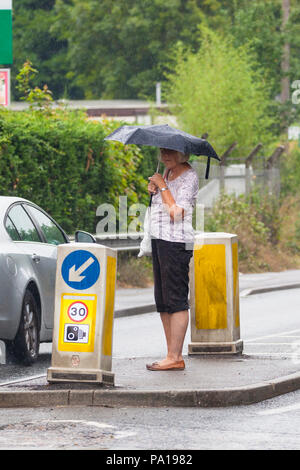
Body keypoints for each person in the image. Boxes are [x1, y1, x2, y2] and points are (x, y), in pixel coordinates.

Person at [146, 147, 199, 371]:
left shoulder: (190, 177)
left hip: (177, 242)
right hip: (159, 239)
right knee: (163, 299)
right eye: (162, 151)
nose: (165, 155)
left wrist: (163, 186)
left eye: (170, 152)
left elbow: (176, 213)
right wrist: (154, 190)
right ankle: (171, 354)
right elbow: (162, 206)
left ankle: (176, 356)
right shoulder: (166, 173)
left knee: (176, 298)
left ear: (182, 153)